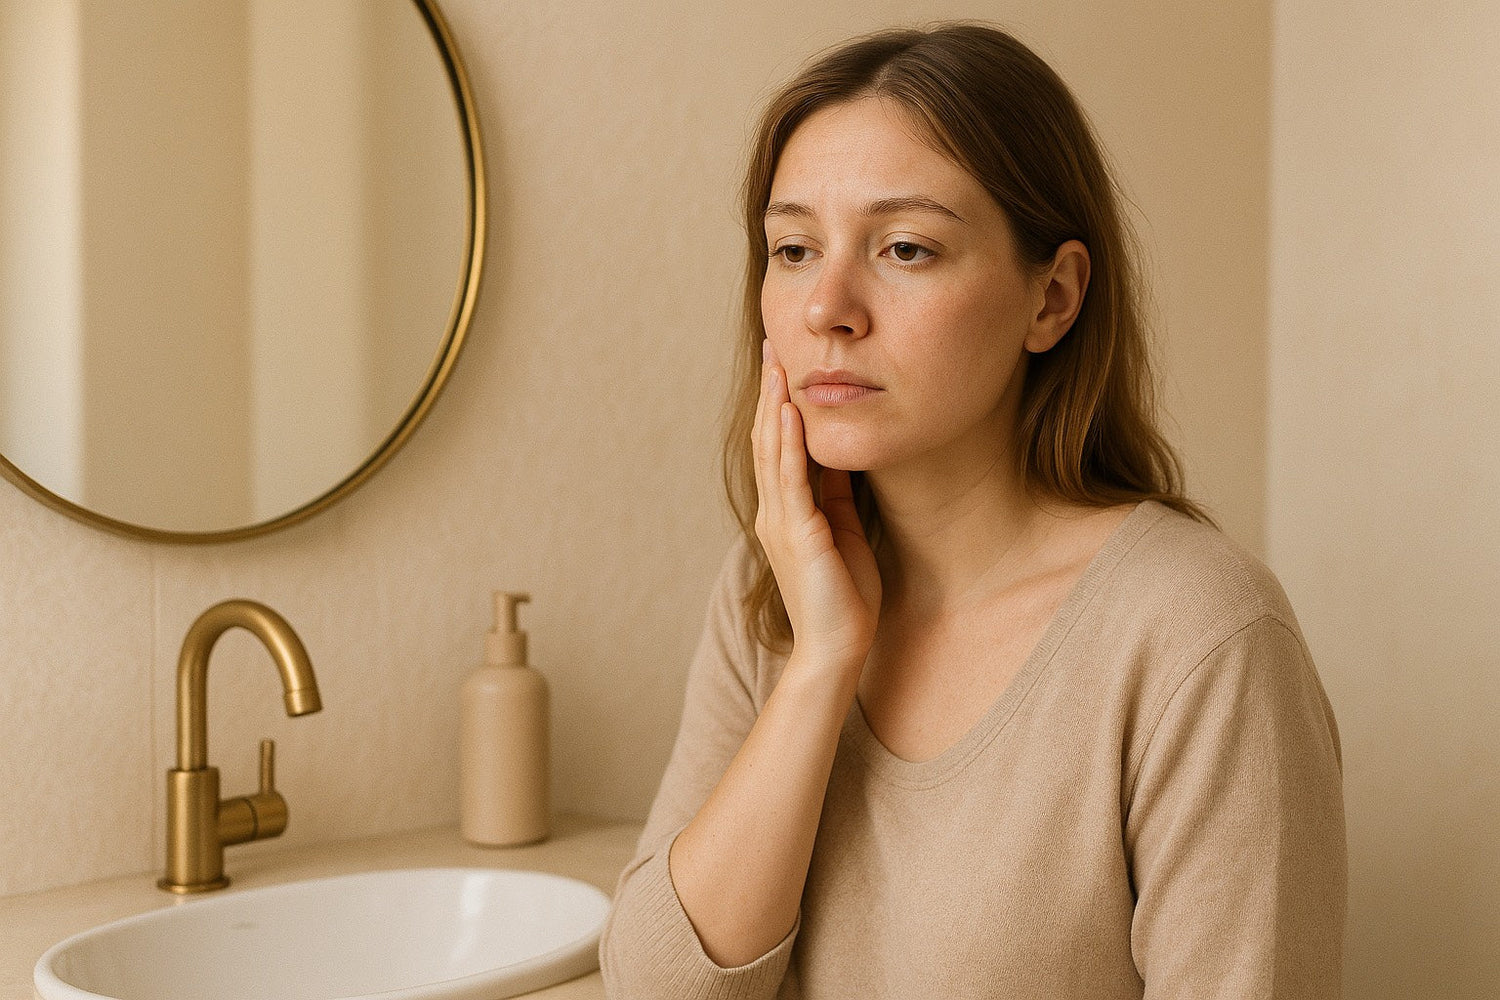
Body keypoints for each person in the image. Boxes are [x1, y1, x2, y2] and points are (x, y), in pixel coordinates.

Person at [599, 22, 1345, 1000]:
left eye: (905, 247)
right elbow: (655, 990)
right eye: (792, 248)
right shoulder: (772, 589)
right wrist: (822, 659)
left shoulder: (1201, 635)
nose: (829, 305)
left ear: (1054, 298)